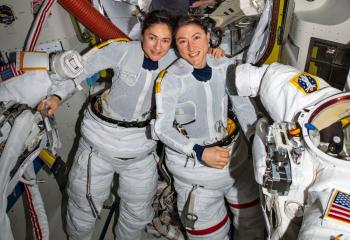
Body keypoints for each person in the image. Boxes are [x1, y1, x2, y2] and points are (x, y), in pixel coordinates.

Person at [154, 16, 265, 240]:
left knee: (253, 227)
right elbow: (162, 129)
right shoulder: (170, 78)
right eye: (183, 41)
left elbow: (243, 107)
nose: (192, 47)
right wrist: (200, 151)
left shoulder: (225, 65)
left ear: (208, 37)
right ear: (176, 46)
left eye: (196, 37)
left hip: (236, 163)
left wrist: (255, 142)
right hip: (196, 172)